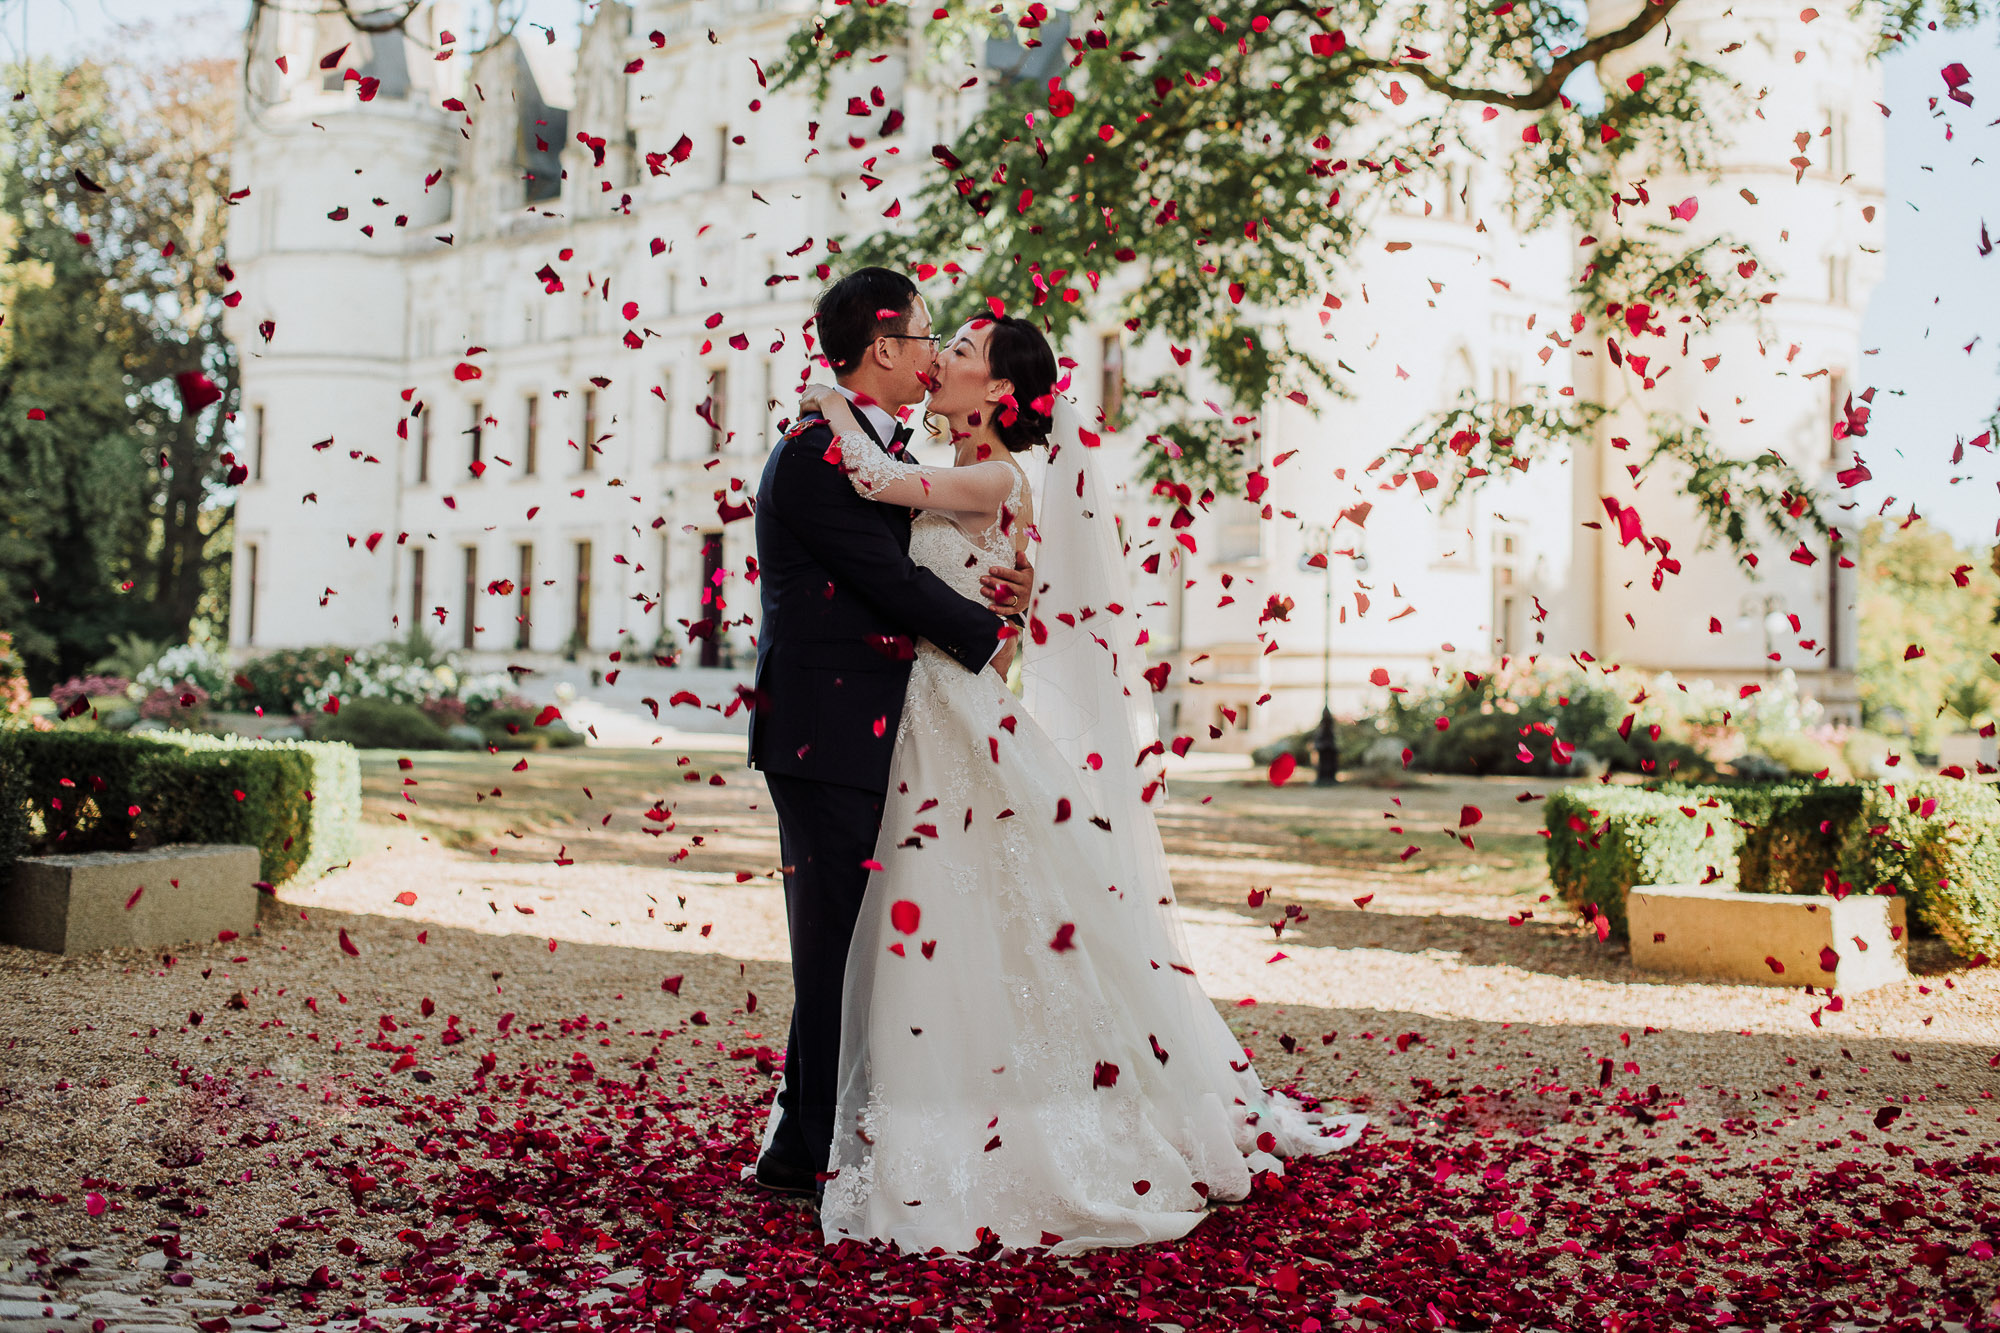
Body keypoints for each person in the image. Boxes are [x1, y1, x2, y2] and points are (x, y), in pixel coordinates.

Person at [797, 310, 1368, 1257]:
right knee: (950, 912)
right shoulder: (988, 479)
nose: (943, 360)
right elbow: (966, 588)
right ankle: (929, 1113)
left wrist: (832, 400)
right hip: (930, 713)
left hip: (950, 716)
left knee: (967, 908)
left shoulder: (994, 475)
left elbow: (878, 481)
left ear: (1000, 394)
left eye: (966, 354)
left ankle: (997, 1130)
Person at [745, 267, 1034, 1202]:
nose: (931, 350)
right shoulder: (813, 454)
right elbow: (889, 579)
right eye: (925, 336)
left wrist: (1014, 591)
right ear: (884, 348)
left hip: (893, 728)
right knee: (831, 944)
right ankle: (805, 1145)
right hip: (828, 733)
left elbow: (944, 548)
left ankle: (820, 1135)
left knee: (863, 943)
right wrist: (989, 635)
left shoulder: (887, 448)